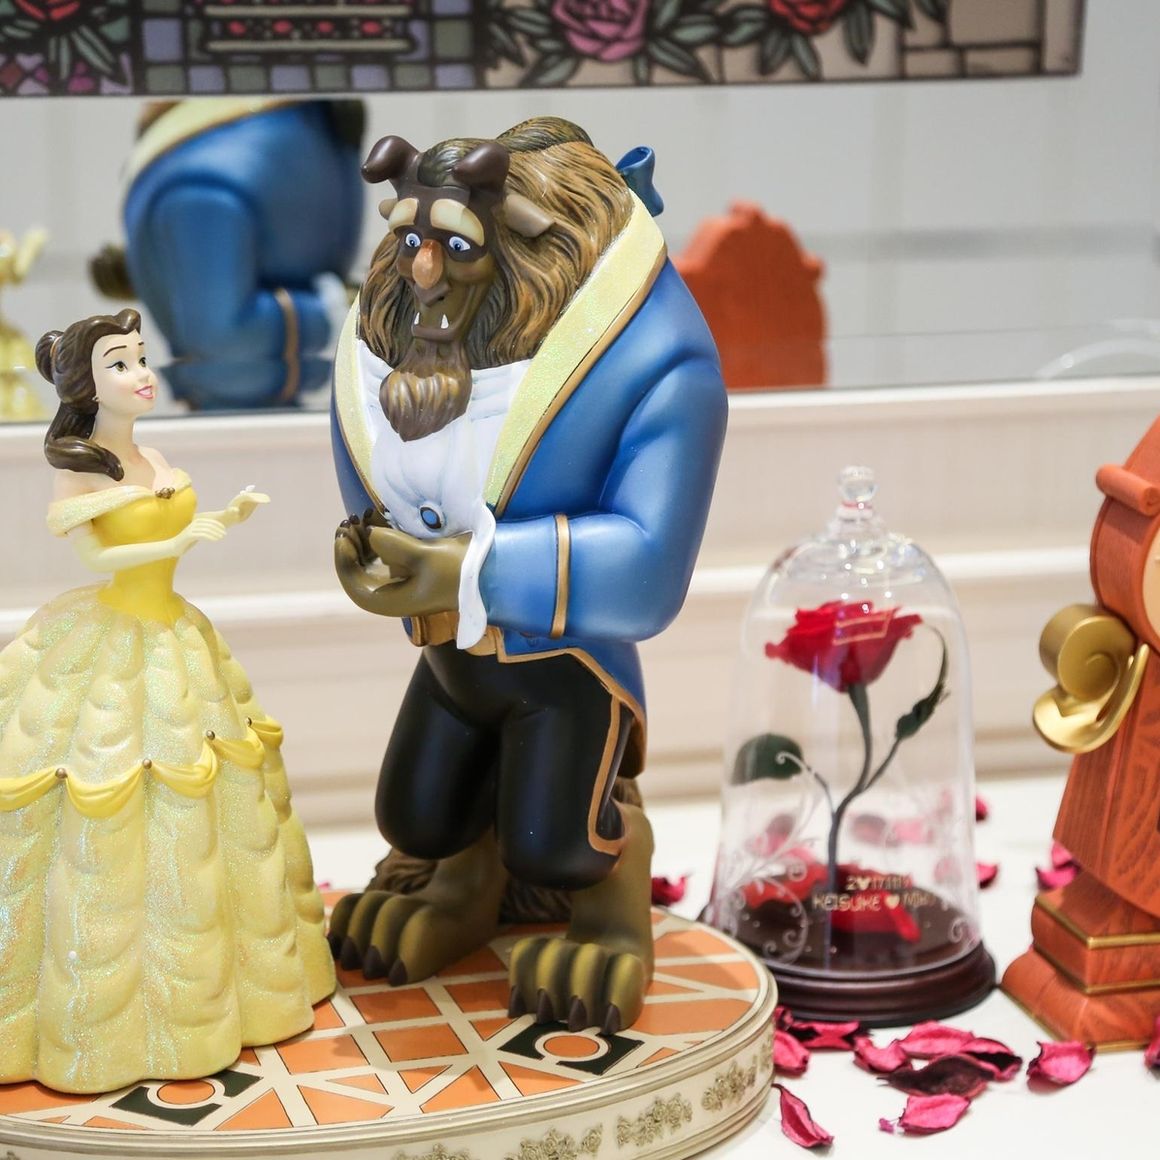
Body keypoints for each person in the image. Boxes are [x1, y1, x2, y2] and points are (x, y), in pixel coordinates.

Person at [0, 310, 333, 1094]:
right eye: (120, 364)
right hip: (116, 637)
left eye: (142, 357)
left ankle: (225, 985)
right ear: (86, 386)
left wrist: (225, 517)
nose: (142, 375)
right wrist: (179, 541)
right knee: (104, 787)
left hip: (175, 633)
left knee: (214, 794)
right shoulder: (81, 470)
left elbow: (176, 524)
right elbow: (98, 554)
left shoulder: (152, 455)